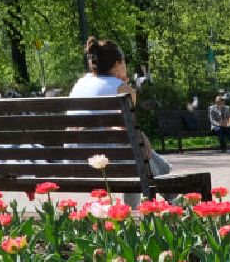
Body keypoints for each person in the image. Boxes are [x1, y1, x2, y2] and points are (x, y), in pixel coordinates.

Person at [68, 37, 169, 177]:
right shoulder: (123, 89)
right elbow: (129, 130)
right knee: (136, 149)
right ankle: (166, 185)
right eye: (124, 62)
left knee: (137, 150)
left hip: (74, 157)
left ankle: (165, 175)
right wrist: (144, 137)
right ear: (117, 65)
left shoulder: (80, 83)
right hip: (103, 159)